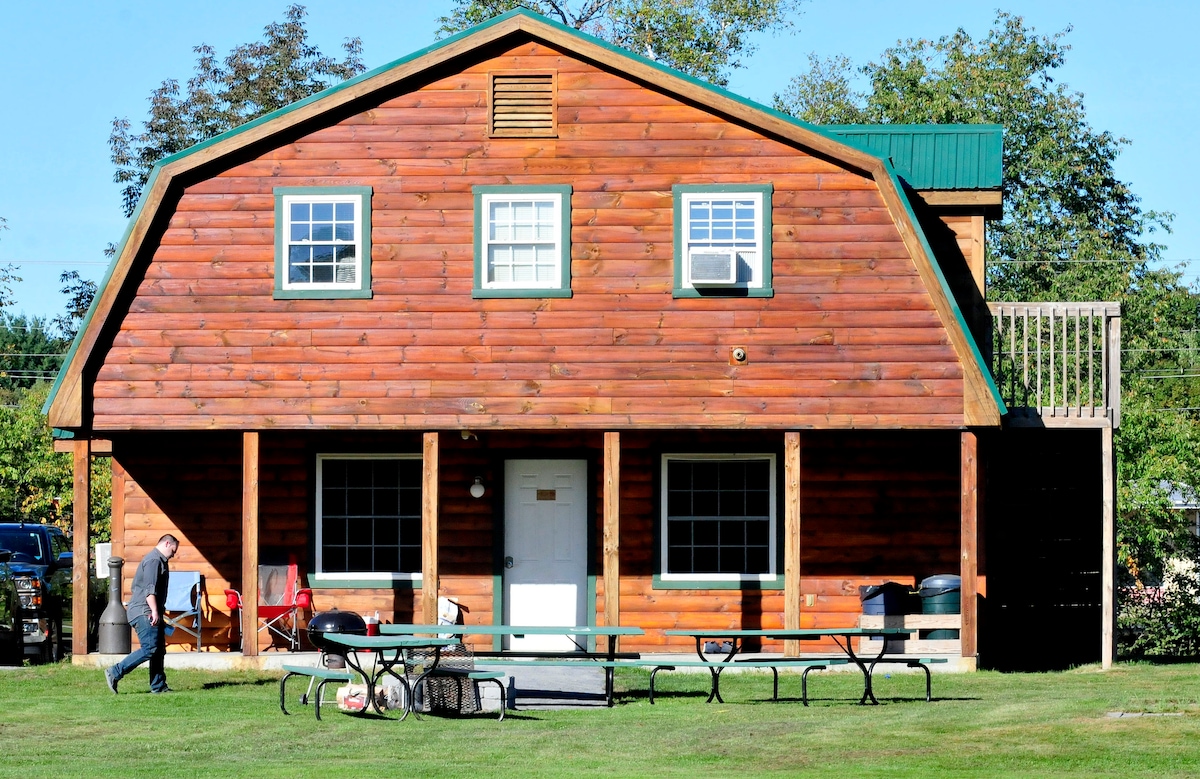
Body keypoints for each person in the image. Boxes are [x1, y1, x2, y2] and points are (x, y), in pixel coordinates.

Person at [104, 534, 179, 694]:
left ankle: (158, 686)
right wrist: (154, 611)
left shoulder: (157, 560)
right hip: (144, 611)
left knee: (158, 649)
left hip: (146, 610)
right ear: (167, 543)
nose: (174, 554)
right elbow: (149, 590)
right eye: (173, 550)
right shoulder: (154, 561)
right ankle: (115, 672)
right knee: (150, 648)